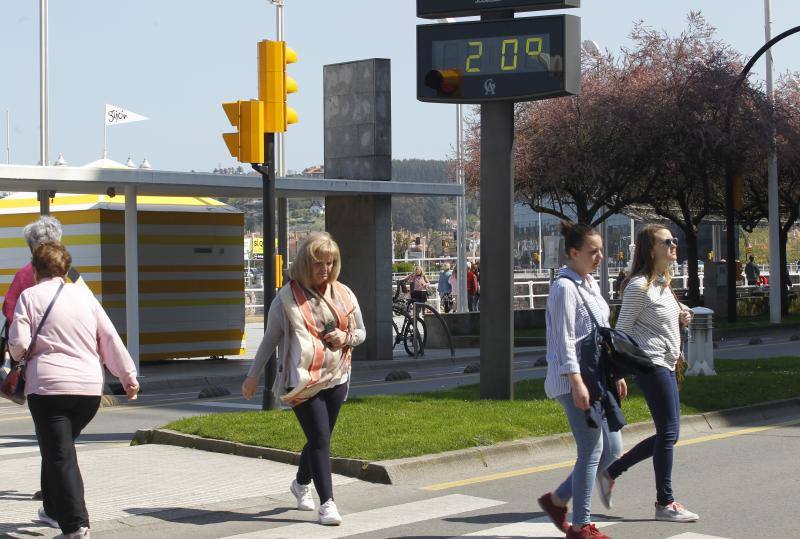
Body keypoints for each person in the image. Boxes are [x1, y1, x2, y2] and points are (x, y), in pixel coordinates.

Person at [10, 242, 139, 538]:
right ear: (66, 269)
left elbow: (18, 346)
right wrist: (128, 376)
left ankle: (75, 526)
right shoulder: (85, 296)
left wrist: (20, 354)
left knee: (60, 455)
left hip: (48, 389)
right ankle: (53, 510)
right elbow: (108, 337)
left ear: (35, 269)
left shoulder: (29, 297)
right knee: (58, 449)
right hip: (88, 392)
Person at [241, 232, 365, 526]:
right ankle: (328, 504)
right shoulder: (285, 301)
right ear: (304, 264)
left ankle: (300, 483)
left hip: (337, 376)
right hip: (301, 381)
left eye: (330, 263)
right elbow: (269, 341)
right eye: (318, 263)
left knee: (319, 439)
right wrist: (252, 376)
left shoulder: (345, 294)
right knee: (320, 438)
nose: (325, 269)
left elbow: (361, 333)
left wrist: (345, 337)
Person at [602, 225, 699, 523]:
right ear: (650, 249)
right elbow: (621, 332)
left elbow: (666, 320)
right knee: (669, 433)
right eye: (666, 241)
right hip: (651, 364)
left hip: (668, 363)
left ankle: (612, 473)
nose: (674, 245)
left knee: (669, 433)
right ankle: (664, 503)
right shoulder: (638, 287)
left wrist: (684, 317)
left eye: (674, 240)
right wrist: (618, 373)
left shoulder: (663, 284)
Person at [537, 222, 626, 539]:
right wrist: (576, 382)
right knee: (591, 450)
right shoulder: (564, 288)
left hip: (596, 379)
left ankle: (558, 500)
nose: (600, 256)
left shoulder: (589, 284)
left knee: (611, 447)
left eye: (601, 250)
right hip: (572, 380)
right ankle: (581, 525)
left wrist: (615, 374)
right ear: (573, 253)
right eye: (593, 251)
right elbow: (564, 341)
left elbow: (599, 336)